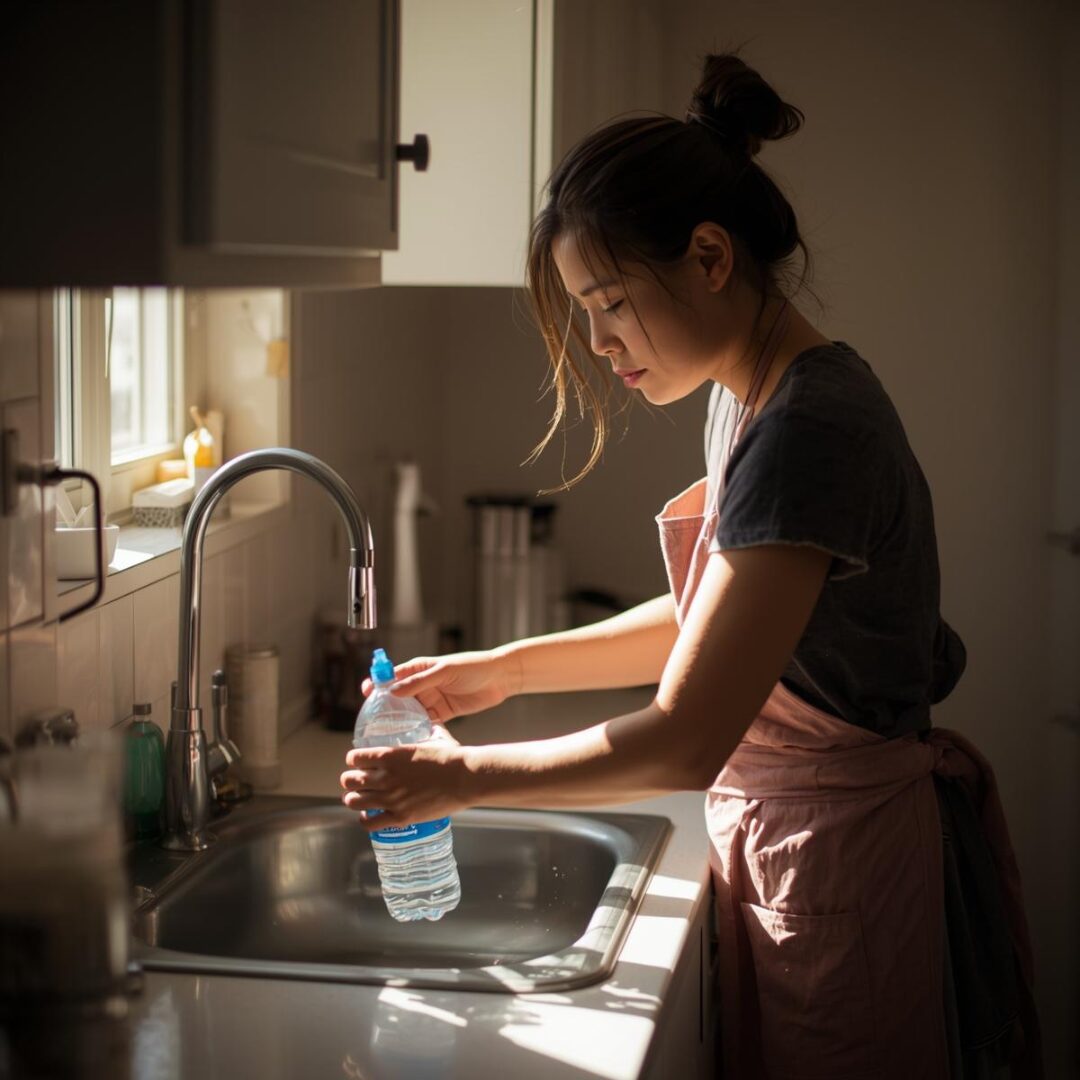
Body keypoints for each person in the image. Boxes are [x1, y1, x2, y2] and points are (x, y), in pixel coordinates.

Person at [341, 53, 1041, 1078]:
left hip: (843, 875)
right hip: (801, 852)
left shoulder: (811, 425)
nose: (597, 339)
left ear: (710, 257)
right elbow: (720, 621)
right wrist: (507, 668)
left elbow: (686, 737)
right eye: (586, 309)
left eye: (611, 301)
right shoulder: (753, 394)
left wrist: (461, 779)